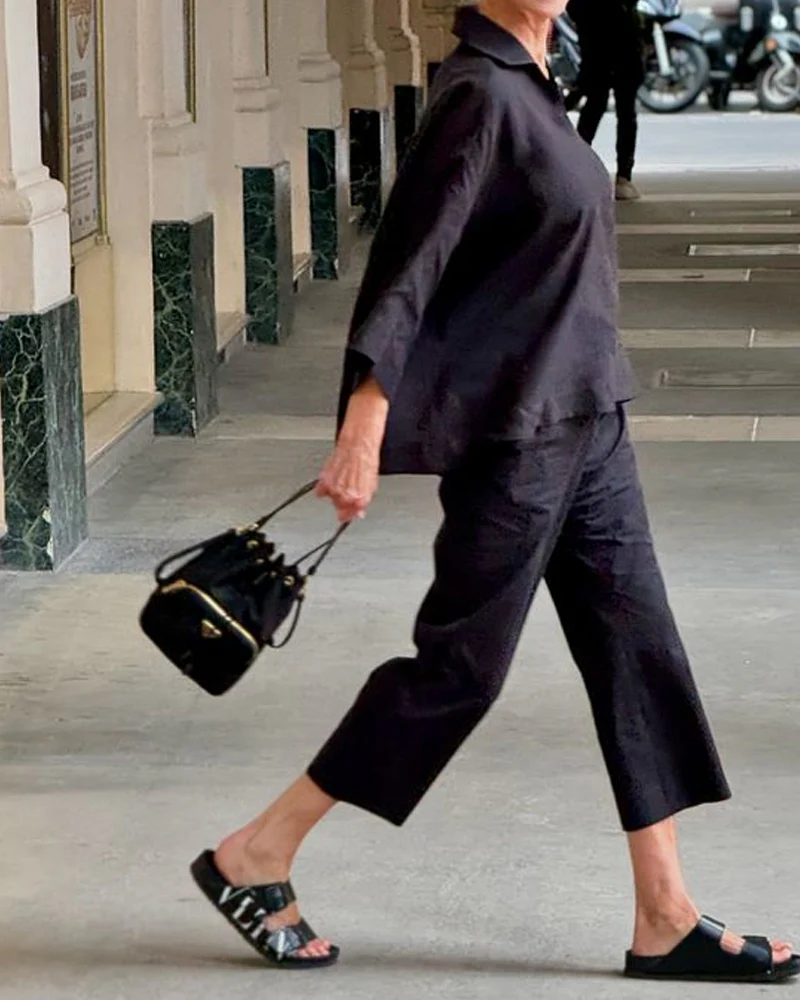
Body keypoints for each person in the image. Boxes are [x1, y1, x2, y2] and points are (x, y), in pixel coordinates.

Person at [189, 0, 799, 983]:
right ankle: (255, 854)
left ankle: (663, 915)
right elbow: (411, 262)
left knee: (638, 652)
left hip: (588, 415)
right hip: (517, 437)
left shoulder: (537, 75)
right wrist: (363, 420)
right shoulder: (478, 92)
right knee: (458, 670)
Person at [567, 0, 645, 201]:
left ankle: (575, 171)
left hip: (596, 42)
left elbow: (574, 9)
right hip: (621, 43)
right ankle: (623, 178)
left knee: (595, 107)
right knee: (624, 112)